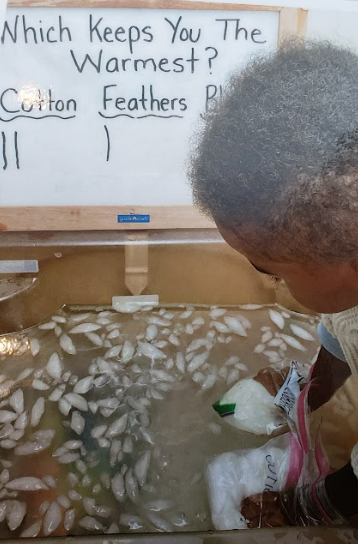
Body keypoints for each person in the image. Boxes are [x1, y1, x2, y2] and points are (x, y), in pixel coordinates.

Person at [189, 39, 358, 527]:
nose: (264, 279)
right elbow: (340, 323)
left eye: (271, 270)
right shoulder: (343, 275)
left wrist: (296, 506)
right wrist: (311, 388)